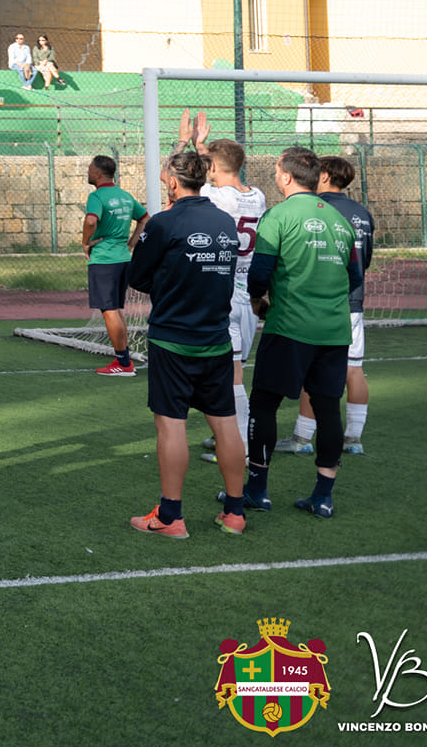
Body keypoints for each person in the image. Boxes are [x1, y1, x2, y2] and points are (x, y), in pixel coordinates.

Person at [124, 151, 248, 537]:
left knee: (171, 424)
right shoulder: (224, 220)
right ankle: (235, 513)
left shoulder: (164, 222)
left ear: (174, 182)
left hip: (173, 339)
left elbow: (137, 277)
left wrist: (169, 281)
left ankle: (170, 517)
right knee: (225, 424)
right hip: (217, 339)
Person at [241, 147, 361, 520]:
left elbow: (259, 275)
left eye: (277, 170)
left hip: (289, 327)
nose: (275, 176)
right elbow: (355, 277)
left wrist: (259, 300)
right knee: (327, 409)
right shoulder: (341, 221)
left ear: (287, 177)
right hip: (334, 331)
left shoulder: (277, 216)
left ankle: (257, 491)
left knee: (264, 404)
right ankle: (323, 497)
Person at [180, 113, 266, 461]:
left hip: (223, 292)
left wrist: (188, 143)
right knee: (232, 371)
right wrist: (203, 147)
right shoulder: (257, 196)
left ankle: (239, 446)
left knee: (229, 377)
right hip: (247, 292)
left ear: (213, 167)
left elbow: (184, 178)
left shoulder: (216, 198)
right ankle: (229, 437)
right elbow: (216, 170)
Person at [285, 155, 374, 457]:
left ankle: (302, 437)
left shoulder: (316, 208)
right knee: (354, 369)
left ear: (323, 176)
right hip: (354, 302)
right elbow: (364, 261)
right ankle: (354, 438)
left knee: (314, 370)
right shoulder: (361, 213)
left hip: (321, 302)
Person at [81, 155, 145, 376]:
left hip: (104, 260)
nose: (88, 172)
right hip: (122, 259)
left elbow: (91, 220)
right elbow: (145, 219)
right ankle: (123, 359)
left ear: (98, 173)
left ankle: (124, 364)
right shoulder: (125, 196)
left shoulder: (97, 196)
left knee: (109, 311)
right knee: (115, 310)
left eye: (90, 169)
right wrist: (131, 244)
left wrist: (85, 242)